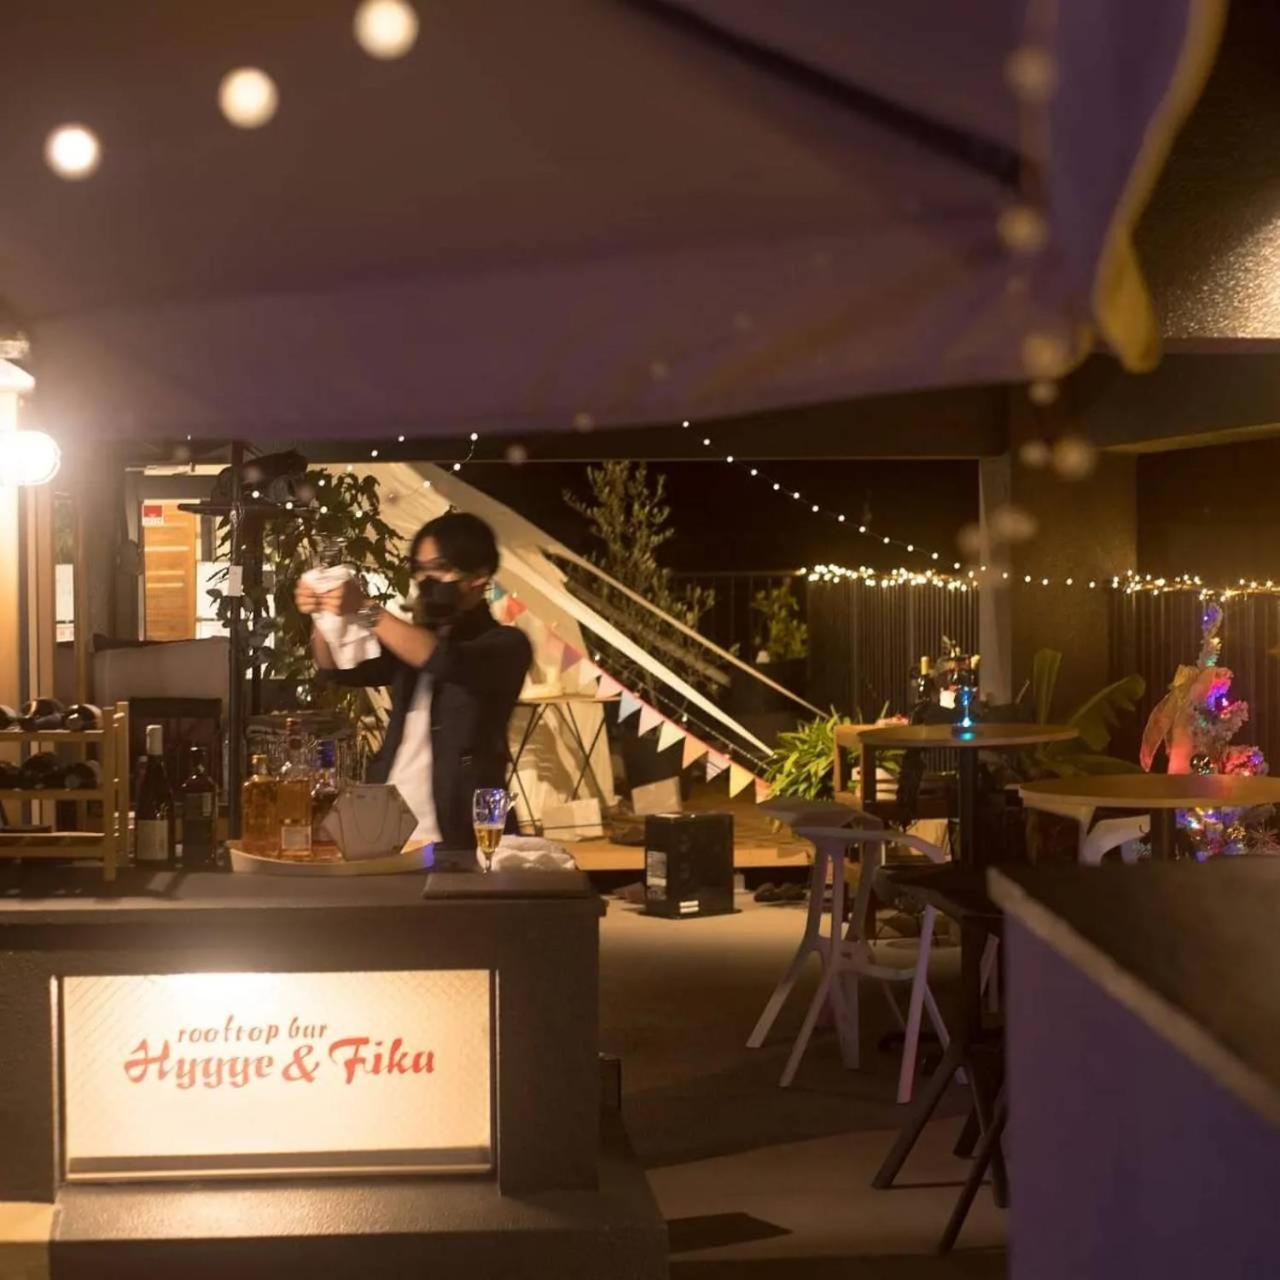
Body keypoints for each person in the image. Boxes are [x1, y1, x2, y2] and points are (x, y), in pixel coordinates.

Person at [296, 511, 531, 854]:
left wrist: (363, 607)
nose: (425, 579)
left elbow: (445, 660)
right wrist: (324, 612)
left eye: (439, 568)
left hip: (460, 824)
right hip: (383, 822)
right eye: (419, 569)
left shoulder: (506, 644)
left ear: (479, 577)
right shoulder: (412, 640)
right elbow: (338, 670)